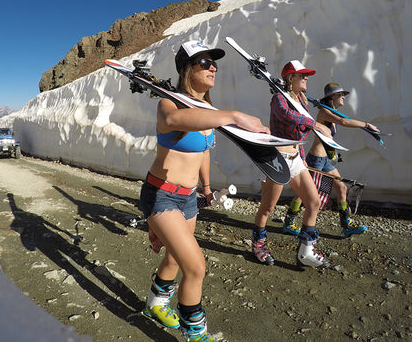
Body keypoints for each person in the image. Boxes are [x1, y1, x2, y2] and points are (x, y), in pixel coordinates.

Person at [140, 40, 270, 342]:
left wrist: (207, 188)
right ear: (187, 69)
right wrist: (234, 116)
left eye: (215, 63)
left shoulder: (208, 110)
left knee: (175, 258)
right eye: (204, 62)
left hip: (188, 198)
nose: (213, 67)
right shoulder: (168, 103)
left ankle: (155, 304)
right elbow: (173, 121)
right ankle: (195, 334)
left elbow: (204, 152)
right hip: (161, 194)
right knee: (196, 268)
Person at [251, 60, 333, 268]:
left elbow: (299, 134)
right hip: (277, 159)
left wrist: (303, 157)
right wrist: (314, 123)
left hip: (295, 158)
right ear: (290, 78)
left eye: (306, 75)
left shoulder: (302, 101)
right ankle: (258, 245)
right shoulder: (278, 98)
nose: (306, 78)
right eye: (302, 75)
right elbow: (288, 116)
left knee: (313, 202)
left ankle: (306, 251)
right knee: (268, 208)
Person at [282, 82, 378, 238]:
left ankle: (346, 223)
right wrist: (366, 125)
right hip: (316, 160)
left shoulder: (332, 113)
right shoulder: (324, 112)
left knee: (342, 189)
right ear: (331, 97)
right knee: (303, 193)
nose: (343, 97)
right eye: (340, 94)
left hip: (326, 160)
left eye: (343, 95)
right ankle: (289, 222)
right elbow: (344, 122)